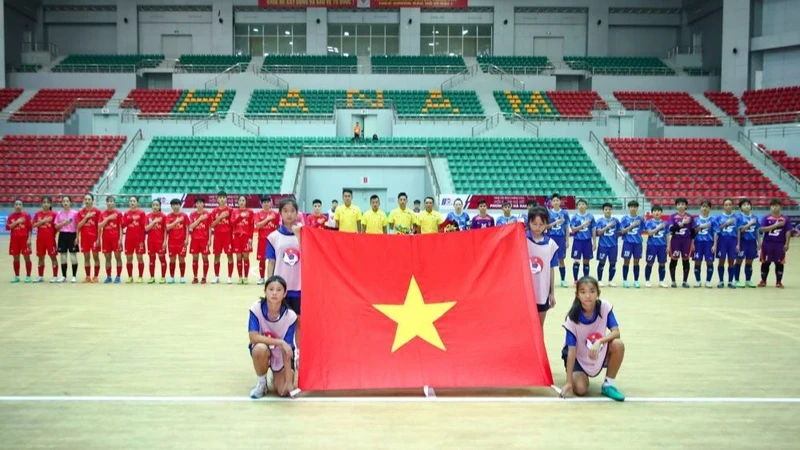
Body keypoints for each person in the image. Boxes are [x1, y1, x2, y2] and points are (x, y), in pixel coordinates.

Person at [560, 276, 625, 401]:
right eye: (583, 292)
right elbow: (571, 351)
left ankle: (608, 384)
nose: (588, 296)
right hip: (577, 355)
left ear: (598, 293)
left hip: (597, 349)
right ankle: (577, 375)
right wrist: (568, 382)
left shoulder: (604, 307)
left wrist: (600, 341)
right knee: (580, 389)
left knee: (618, 344)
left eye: (592, 291)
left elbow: (616, 332)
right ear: (577, 295)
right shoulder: (572, 319)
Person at [266, 197, 303, 365]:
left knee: (300, 323)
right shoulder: (273, 237)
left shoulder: (304, 235)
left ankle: (300, 355)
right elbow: (271, 262)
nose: (289, 214)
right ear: (280, 213)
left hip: (300, 287)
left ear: (297, 213)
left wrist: (299, 236)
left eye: (292, 211)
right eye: (285, 211)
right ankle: (282, 355)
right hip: (281, 289)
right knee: (281, 323)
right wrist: (270, 287)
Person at [248, 275, 297, 399]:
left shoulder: (290, 316)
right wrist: (280, 342)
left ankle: (276, 376)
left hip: (281, 355)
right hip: (264, 350)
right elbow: (253, 337)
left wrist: (288, 382)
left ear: (285, 293)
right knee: (259, 348)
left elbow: (287, 350)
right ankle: (262, 383)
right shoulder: (256, 308)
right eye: (271, 289)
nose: (274, 293)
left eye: (279, 290)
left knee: (283, 392)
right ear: (265, 291)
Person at [526, 207, 558, 325]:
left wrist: (552, 293)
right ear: (528, 222)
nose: (537, 227)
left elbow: (551, 270)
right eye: (534, 224)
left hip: (542, 293)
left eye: (541, 224)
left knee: (539, 326)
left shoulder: (551, 245)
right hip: (525, 292)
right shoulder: (522, 240)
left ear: (546, 225)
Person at [759, 198, 792, 288]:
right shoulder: (766, 218)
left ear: (780, 207)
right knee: (765, 263)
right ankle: (763, 281)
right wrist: (776, 225)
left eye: (776, 206)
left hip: (780, 244)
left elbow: (788, 231)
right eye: (773, 206)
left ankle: (778, 282)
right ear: (770, 207)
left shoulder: (785, 219)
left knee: (779, 263)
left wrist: (787, 243)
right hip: (767, 244)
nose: (774, 208)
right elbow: (762, 229)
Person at [31, 196, 59, 283]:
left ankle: (55, 276)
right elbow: (33, 225)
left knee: (53, 257)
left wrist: (53, 234)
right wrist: (44, 221)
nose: (46, 204)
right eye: (44, 202)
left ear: (50, 204)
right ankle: (40, 276)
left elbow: (57, 227)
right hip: (40, 240)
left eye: (47, 202)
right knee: (40, 258)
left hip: (50, 240)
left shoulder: (54, 214)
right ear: (41, 203)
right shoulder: (37, 214)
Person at [76, 193, 102, 283]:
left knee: (96, 257)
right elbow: (78, 226)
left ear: (92, 201)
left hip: (94, 238)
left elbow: (99, 227)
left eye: (89, 199)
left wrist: (98, 239)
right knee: (86, 258)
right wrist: (86, 217)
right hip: (84, 239)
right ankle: (87, 276)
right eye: (85, 199)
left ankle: (95, 276)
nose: (87, 201)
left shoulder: (97, 212)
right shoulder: (80, 212)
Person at [254, 195, 280, 285]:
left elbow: (278, 226)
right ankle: (261, 277)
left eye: (268, 202)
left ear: (270, 203)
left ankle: (272, 277)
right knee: (262, 259)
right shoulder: (258, 214)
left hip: (272, 241)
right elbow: (258, 225)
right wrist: (267, 219)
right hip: (262, 239)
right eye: (264, 202)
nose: (266, 204)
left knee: (272, 259)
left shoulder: (276, 214)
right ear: (261, 203)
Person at [667, 197, 693, 288]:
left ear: (686, 206)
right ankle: (673, 281)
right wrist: (682, 223)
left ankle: (685, 281)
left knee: (686, 260)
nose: (681, 206)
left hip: (686, 241)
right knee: (674, 259)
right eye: (679, 204)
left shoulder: (690, 216)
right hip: (675, 241)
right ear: (676, 206)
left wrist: (693, 242)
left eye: (682, 204)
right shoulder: (672, 216)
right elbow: (671, 230)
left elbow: (692, 231)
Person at [619, 200, 645, 289]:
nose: (633, 208)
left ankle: (636, 281)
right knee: (626, 261)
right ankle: (625, 280)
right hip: (627, 243)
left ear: (637, 208)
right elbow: (622, 231)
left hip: (638, 243)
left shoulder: (641, 219)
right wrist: (632, 225)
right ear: (629, 208)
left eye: (635, 207)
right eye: (631, 207)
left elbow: (644, 229)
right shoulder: (625, 218)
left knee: (636, 262)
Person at [210, 191, 234, 284]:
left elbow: (233, 223)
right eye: (220, 198)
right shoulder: (214, 211)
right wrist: (220, 217)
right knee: (217, 256)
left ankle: (229, 277)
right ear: (217, 199)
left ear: (226, 199)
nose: (222, 199)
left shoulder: (231, 210)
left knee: (229, 256)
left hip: (228, 236)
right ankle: (216, 276)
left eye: (224, 197)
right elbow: (212, 225)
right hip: (217, 236)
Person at [569, 199, 595, 285]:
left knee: (586, 261)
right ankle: (575, 280)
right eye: (579, 204)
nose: (581, 206)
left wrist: (594, 242)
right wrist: (583, 225)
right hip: (577, 241)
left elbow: (593, 230)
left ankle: (585, 279)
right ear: (577, 206)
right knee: (576, 261)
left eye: (583, 204)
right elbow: (573, 230)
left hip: (587, 241)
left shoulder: (591, 217)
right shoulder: (575, 217)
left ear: (586, 206)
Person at [735, 198, 760, 288]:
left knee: (749, 261)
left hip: (752, 242)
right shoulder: (738, 217)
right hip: (742, 242)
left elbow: (757, 230)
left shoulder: (755, 217)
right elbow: (740, 230)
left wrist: (759, 242)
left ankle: (748, 280)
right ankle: (736, 280)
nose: (747, 206)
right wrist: (737, 244)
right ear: (741, 207)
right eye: (744, 205)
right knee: (739, 261)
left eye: (748, 204)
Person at [714, 198, 739, 289]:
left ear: (732, 206)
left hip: (733, 241)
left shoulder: (737, 217)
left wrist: (738, 244)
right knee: (721, 261)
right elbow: (716, 230)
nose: (728, 206)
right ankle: (721, 281)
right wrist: (727, 223)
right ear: (723, 206)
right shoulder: (718, 217)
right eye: (726, 205)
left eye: (730, 204)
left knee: (731, 261)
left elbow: (739, 231)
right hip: (722, 241)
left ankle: (730, 282)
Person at [97, 196, 123, 284]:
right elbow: (100, 226)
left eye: (111, 201)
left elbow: (120, 227)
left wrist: (120, 239)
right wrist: (108, 218)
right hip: (106, 239)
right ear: (106, 203)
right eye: (108, 201)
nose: (109, 203)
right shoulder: (102, 214)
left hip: (116, 239)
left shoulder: (118, 214)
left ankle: (118, 276)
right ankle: (108, 276)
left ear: (114, 203)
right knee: (107, 258)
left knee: (118, 258)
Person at [6, 199, 32, 283]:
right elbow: (8, 227)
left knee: (27, 258)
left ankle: (28, 276)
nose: (18, 206)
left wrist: (29, 239)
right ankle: (17, 276)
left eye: (20, 204)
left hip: (24, 240)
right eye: (16, 204)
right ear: (14, 206)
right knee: (16, 258)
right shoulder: (10, 216)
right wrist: (17, 222)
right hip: (14, 239)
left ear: (22, 206)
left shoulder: (27, 215)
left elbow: (30, 228)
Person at [547, 194, 570, 287]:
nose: (556, 202)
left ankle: (563, 279)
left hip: (561, 238)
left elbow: (567, 227)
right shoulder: (548, 213)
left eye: (557, 200)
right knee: (549, 259)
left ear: (560, 202)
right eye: (554, 201)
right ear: (551, 202)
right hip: (551, 237)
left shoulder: (564, 213)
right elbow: (546, 226)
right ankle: (548, 280)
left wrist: (567, 240)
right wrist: (556, 222)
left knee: (561, 259)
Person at [594, 202, 619, 288]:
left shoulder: (616, 221)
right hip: (603, 245)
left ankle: (610, 280)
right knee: (601, 262)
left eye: (609, 209)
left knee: (613, 263)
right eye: (606, 209)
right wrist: (607, 226)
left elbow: (619, 232)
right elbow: (598, 232)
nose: (608, 211)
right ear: (603, 211)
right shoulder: (600, 221)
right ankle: (599, 280)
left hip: (613, 246)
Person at [165, 198, 190, 284]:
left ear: (180, 205)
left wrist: (187, 239)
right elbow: (167, 227)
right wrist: (176, 221)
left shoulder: (184, 215)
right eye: (174, 205)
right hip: (172, 242)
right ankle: (172, 277)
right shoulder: (168, 216)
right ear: (171, 206)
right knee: (172, 259)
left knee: (181, 259)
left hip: (181, 242)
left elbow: (187, 227)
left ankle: (182, 277)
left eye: (177, 204)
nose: (176, 206)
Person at [54, 196, 79, 283]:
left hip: (72, 235)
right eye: (64, 201)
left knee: (73, 257)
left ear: (70, 202)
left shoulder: (75, 213)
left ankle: (74, 276)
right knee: (63, 257)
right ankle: (64, 276)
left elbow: (78, 226)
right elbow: (56, 226)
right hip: (62, 235)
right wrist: (64, 222)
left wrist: (77, 237)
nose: (65, 203)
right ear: (62, 203)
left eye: (67, 201)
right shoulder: (59, 213)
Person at [122, 196, 147, 283]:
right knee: (129, 258)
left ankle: (140, 276)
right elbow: (123, 225)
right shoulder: (126, 214)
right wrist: (131, 219)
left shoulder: (142, 213)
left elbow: (145, 227)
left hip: (139, 239)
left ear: (137, 203)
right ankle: (130, 276)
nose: (132, 202)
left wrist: (143, 240)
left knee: (139, 257)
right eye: (131, 201)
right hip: (129, 239)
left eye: (134, 201)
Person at [232, 195, 255, 284]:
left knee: (246, 256)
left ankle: (246, 277)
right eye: (240, 200)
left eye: (243, 200)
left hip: (246, 237)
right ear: (238, 202)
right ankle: (240, 277)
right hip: (237, 237)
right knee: (238, 257)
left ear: (246, 202)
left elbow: (251, 226)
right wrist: (240, 217)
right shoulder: (235, 212)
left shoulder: (250, 212)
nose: (241, 202)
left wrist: (251, 238)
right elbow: (232, 223)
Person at [644, 205, 668, 288]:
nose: (657, 212)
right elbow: (650, 233)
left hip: (662, 246)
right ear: (652, 213)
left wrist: (668, 246)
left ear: (661, 213)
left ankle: (661, 281)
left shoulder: (665, 223)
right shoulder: (649, 222)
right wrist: (658, 227)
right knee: (649, 263)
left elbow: (667, 235)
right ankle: (647, 280)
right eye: (655, 211)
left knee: (662, 263)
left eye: (658, 211)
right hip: (652, 246)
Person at [692, 200, 715, 288]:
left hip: (709, 243)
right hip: (698, 243)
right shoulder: (696, 220)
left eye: (707, 206)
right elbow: (693, 232)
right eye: (703, 206)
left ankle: (708, 281)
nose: (705, 208)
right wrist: (701, 227)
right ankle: (698, 281)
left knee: (709, 262)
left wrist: (714, 245)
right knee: (697, 262)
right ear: (700, 208)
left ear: (710, 208)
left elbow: (716, 233)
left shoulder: (713, 220)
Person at [188, 197, 211, 284]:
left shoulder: (207, 214)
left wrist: (209, 240)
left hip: (204, 240)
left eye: (201, 202)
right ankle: (195, 277)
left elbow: (209, 227)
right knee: (195, 258)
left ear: (203, 204)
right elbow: (191, 226)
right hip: (194, 240)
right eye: (197, 203)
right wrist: (200, 219)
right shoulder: (192, 214)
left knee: (205, 257)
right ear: (195, 204)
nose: (199, 204)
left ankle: (204, 277)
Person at [145, 199, 168, 284]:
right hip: (151, 241)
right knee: (151, 260)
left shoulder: (163, 216)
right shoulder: (148, 216)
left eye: (157, 205)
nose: (155, 207)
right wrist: (154, 221)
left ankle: (163, 277)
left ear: (160, 206)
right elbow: (146, 228)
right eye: (153, 205)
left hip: (160, 242)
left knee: (162, 259)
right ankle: (152, 277)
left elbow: (166, 230)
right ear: (151, 206)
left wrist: (165, 241)